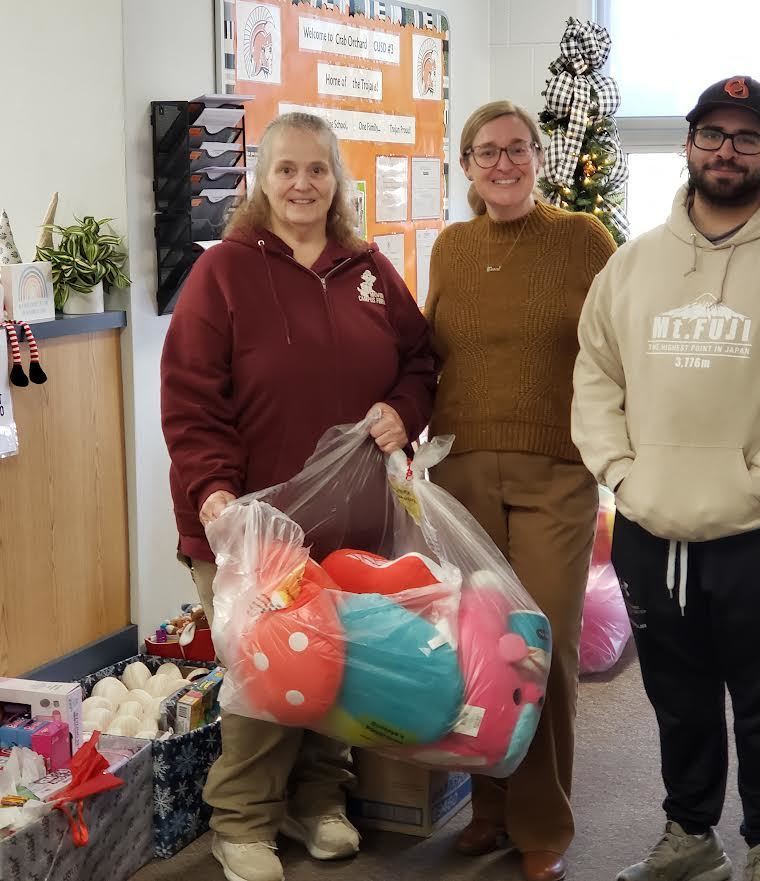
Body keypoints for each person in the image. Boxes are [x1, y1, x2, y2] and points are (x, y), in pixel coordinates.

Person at [572, 76, 760, 881]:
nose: (726, 150)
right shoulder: (633, 264)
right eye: (712, 132)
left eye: (746, 137)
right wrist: (623, 474)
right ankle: (689, 835)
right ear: (687, 143)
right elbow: (595, 376)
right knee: (678, 697)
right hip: (652, 523)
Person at [160, 111, 436, 881]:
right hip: (246, 523)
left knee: (334, 667)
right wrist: (214, 490)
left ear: (337, 180)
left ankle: (316, 801)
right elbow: (190, 398)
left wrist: (402, 410)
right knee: (265, 675)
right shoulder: (223, 273)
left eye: (317, 169)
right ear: (260, 178)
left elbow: (420, 363)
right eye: (286, 169)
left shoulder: (369, 268)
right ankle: (242, 821)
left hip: (349, 520)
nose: (302, 184)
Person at [424, 99, 616, 881]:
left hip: (554, 474)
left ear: (540, 156)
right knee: (476, 645)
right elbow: (425, 348)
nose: (502, 163)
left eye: (516, 148)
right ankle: (490, 809)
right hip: (461, 468)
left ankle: (541, 823)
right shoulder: (451, 247)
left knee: (541, 646)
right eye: (485, 151)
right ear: (465, 166)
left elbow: (617, 345)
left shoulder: (583, 239)